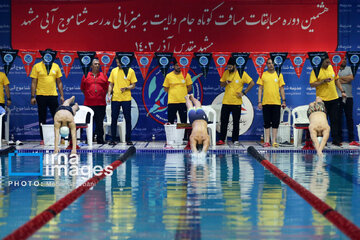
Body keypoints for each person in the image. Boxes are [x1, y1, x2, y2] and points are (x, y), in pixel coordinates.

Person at [216, 57, 255, 146]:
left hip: (236, 102)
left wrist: (244, 92)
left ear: (234, 66)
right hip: (226, 101)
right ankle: (222, 139)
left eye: (230, 67)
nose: (228, 69)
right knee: (224, 121)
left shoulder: (242, 74)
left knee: (236, 122)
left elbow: (252, 83)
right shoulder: (226, 73)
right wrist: (226, 82)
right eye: (227, 67)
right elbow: (221, 84)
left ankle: (235, 140)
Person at [309, 57, 346, 147]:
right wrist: (323, 81)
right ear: (322, 62)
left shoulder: (332, 68)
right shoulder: (316, 70)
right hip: (322, 100)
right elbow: (312, 84)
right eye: (326, 62)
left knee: (335, 120)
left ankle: (336, 140)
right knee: (322, 122)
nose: (328, 64)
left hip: (334, 98)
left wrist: (342, 91)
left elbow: (336, 80)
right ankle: (323, 142)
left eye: (329, 62)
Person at [30, 49, 64, 144]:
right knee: (42, 118)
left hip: (53, 96)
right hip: (41, 96)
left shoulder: (56, 66)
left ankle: (60, 137)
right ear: (43, 56)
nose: (48, 57)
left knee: (57, 117)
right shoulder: (37, 66)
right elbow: (33, 82)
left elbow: (59, 82)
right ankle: (43, 139)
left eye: (50, 55)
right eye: (46, 55)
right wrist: (32, 96)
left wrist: (62, 96)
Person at [107, 57, 137, 145]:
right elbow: (111, 84)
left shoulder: (130, 71)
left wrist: (126, 88)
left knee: (128, 119)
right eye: (117, 63)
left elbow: (133, 85)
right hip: (115, 98)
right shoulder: (114, 71)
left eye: (119, 63)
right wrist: (109, 94)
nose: (118, 64)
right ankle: (113, 139)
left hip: (126, 98)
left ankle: (128, 139)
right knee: (114, 119)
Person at [257, 58, 286, 148]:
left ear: (275, 64)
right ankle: (266, 141)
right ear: (266, 65)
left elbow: (281, 88)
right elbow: (260, 89)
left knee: (275, 123)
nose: (270, 65)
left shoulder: (279, 74)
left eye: (272, 63)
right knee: (266, 123)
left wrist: (284, 101)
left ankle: (274, 141)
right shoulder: (263, 75)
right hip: (266, 102)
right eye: (269, 63)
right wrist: (259, 101)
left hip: (276, 102)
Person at [80, 58, 109, 144]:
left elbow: (107, 88)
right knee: (89, 123)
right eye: (95, 64)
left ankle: (100, 139)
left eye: (98, 64)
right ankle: (89, 139)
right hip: (89, 104)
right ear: (91, 66)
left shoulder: (104, 75)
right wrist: (89, 95)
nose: (97, 65)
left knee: (100, 123)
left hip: (101, 104)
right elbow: (82, 88)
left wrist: (101, 95)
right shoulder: (85, 75)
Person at [336, 59, 359, 146]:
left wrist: (339, 79)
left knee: (349, 118)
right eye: (342, 59)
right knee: (338, 118)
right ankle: (339, 139)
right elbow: (335, 80)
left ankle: (351, 139)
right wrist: (342, 79)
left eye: (345, 59)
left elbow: (351, 78)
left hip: (349, 97)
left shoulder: (349, 68)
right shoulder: (335, 69)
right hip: (338, 96)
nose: (344, 60)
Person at [163, 60, 193, 124]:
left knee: (183, 122)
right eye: (177, 65)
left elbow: (190, 87)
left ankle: (183, 134)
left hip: (183, 102)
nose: (179, 67)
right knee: (170, 122)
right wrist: (174, 92)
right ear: (173, 66)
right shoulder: (169, 76)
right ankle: (171, 134)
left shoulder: (186, 75)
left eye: (180, 66)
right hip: (172, 102)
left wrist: (182, 92)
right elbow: (165, 88)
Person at [0, 71, 11, 141]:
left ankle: (2, 138)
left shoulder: (2, 75)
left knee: (1, 120)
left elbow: (6, 87)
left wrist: (9, 98)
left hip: (0, 101)